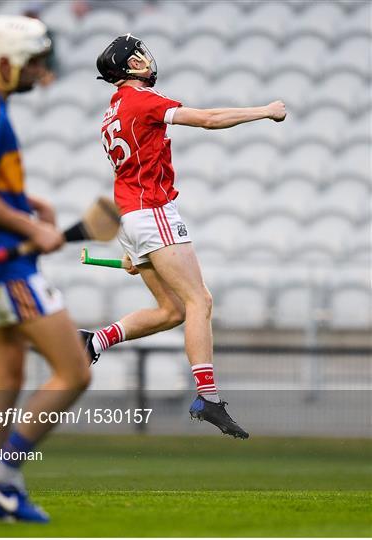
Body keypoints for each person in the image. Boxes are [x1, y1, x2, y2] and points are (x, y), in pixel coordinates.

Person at [81, 34, 287, 440]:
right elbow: (208, 119)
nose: (145, 60)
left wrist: (138, 248)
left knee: (172, 311)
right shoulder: (143, 101)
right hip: (153, 210)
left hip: (131, 216)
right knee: (200, 300)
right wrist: (265, 111)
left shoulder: (112, 111)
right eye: (137, 57)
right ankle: (207, 397)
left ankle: (95, 341)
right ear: (127, 68)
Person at [0, 15, 91, 523]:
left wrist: (28, 203)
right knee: (75, 369)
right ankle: (2, 478)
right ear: (6, 61)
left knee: (5, 379)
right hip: (8, 268)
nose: (40, 71)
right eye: (33, 62)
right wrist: (33, 230)